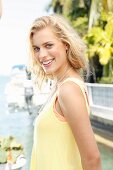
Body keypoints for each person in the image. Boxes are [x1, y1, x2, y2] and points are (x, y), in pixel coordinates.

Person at [28, 14, 101, 170]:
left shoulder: (68, 90)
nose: (41, 55)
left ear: (65, 44)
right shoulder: (61, 86)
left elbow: (92, 159)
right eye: (36, 48)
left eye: (48, 45)